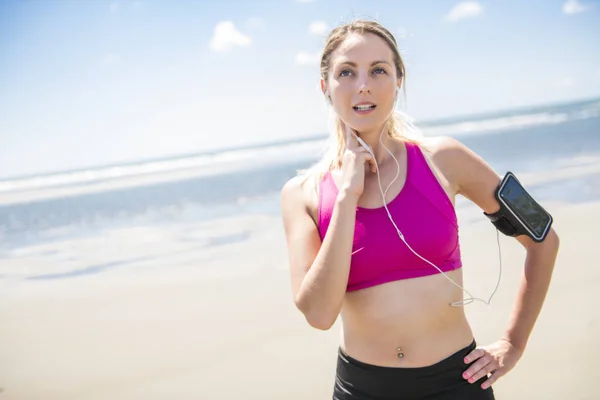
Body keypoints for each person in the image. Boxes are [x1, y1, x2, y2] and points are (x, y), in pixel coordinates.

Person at [280, 19, 560, 399]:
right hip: (363, 390)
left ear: (399, 80)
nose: (363, 84)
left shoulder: (445, 158)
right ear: (325, 87)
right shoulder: (303, 194)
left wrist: (513, 343)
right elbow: (318, 315)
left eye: (379, 70)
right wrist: (346, 196)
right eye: (347, 72)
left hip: (457, 384)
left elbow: (544, 238)